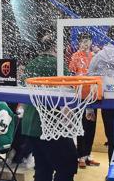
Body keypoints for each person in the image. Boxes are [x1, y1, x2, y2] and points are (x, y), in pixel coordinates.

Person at [20, 26, 78, 181]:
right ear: (56, 47)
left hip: (30, 124)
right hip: (50, 125)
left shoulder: (32, 64)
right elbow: (70, 91)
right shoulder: (58, 65)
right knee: (68, 165)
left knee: (43, 168)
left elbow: (22, 88)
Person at [88, 26, 114, 162]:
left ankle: (111, 171)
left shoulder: (98, 56)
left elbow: (90, 80)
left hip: (106, 102)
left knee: (111, 138)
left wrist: (90, 107)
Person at [68, 32, 100, 168]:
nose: (85, 44)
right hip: (80, 96)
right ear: (79, 43)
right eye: (83, 41)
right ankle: (80, 156)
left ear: (91, 42)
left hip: (93, 95)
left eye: (88, 41)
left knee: (91, 127)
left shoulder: (95, 56)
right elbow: (70, 75)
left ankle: (88, 155)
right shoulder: (75, 56)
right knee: (81, 127)